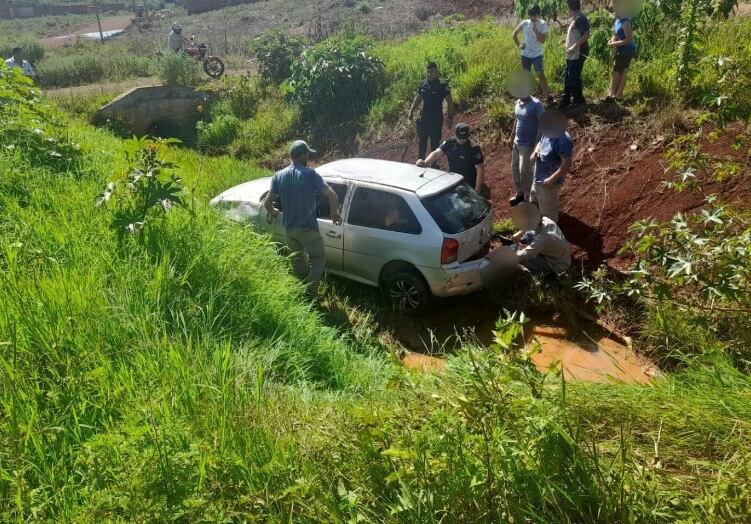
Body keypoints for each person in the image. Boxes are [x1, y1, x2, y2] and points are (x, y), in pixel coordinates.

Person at [263, 140, 342, 297]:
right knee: (318, 259)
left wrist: (273, 212)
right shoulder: (311, 174)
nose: (309, 157)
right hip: (308, 229)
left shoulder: (278, 176)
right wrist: (334, 213)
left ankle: (299, 290)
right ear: (303, 155)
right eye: (308, 154)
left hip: (289, 230)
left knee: (297, 260)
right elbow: (332, 195)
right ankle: (309, 294)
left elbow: (267, 203)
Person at [416, 123, 485, 193]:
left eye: (464, 138)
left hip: (469, 182)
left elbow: (480, 169)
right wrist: (425, 163)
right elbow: (436, 153)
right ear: (455, 135)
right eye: (459, 138)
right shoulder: (450, 142)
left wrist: (477, 190)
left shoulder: (473, 148)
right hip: (453, 179)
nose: (461, 140)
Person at [531, 110, 573, 222]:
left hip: (550, 182)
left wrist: (551, 180)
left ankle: (550, 235)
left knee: (548, 214)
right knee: (541, 204)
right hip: (539, 177)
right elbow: (541, 141)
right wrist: (535, 151)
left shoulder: (563, 140)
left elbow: (567, 164)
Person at [408, 62, 455, 161]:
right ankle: (420, 163)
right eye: (428, 72)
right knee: (422, 143)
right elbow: (418, 98)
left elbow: (450, 102)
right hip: (424, 118)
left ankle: (433, 165)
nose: (430, 74)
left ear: (437, 72)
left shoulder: (442, 85)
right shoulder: (423, 84)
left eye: (432, 72)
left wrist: (450, 118)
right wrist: (411, 111)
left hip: (436, 119)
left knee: (435, 143)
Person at [508, 83, 545, 206]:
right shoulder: (517, 103)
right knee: (515, 168)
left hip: (528, 145)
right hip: (517, 143)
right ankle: (519, 193)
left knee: (525, 172)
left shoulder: (536, 105)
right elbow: (517, 120)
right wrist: (511, 137)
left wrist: (537, 144)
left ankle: (527, 197)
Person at [511, 202, 571, 276]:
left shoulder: (542, 239)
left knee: (523, 258)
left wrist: (511, 252)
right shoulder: (545, 220)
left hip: (558, 264)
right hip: (562, 254)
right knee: (529, 234)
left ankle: (545, 274)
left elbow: (520, 256)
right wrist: (519, 233)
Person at [512, 5, 550, 100]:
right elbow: (514, 34)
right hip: (525, 54)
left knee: (540, 74)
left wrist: (536, 30)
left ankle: (548, 96)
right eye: (531, 15)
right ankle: (526, 97)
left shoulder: (543, 23)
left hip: (537, 54)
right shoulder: (525, 23)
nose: (532, 17)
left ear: (538, 14)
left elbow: (542, 40)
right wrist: (518, 45)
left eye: (534, 15)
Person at [560, 0, 590, 107]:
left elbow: (586, 34)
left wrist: (573, 46)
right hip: (571, 54)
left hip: (578, 53)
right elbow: (576, 34)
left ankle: (579, 101)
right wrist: (566, 40)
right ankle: (565, 99)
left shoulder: (580, 18)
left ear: (570, 7)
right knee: (568, 76)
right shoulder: (574, 19)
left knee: (573, 76)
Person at [606, 1, 637, 102]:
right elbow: (615, 34)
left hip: (628, 50)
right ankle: (616, 94)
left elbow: (628, 39)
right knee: (621, 70)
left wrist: (613, 44)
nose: (614, 10)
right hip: (621, 49)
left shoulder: (626, 21)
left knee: (617, 71)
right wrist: (611, 40)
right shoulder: (617, 21)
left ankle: (615, 94)